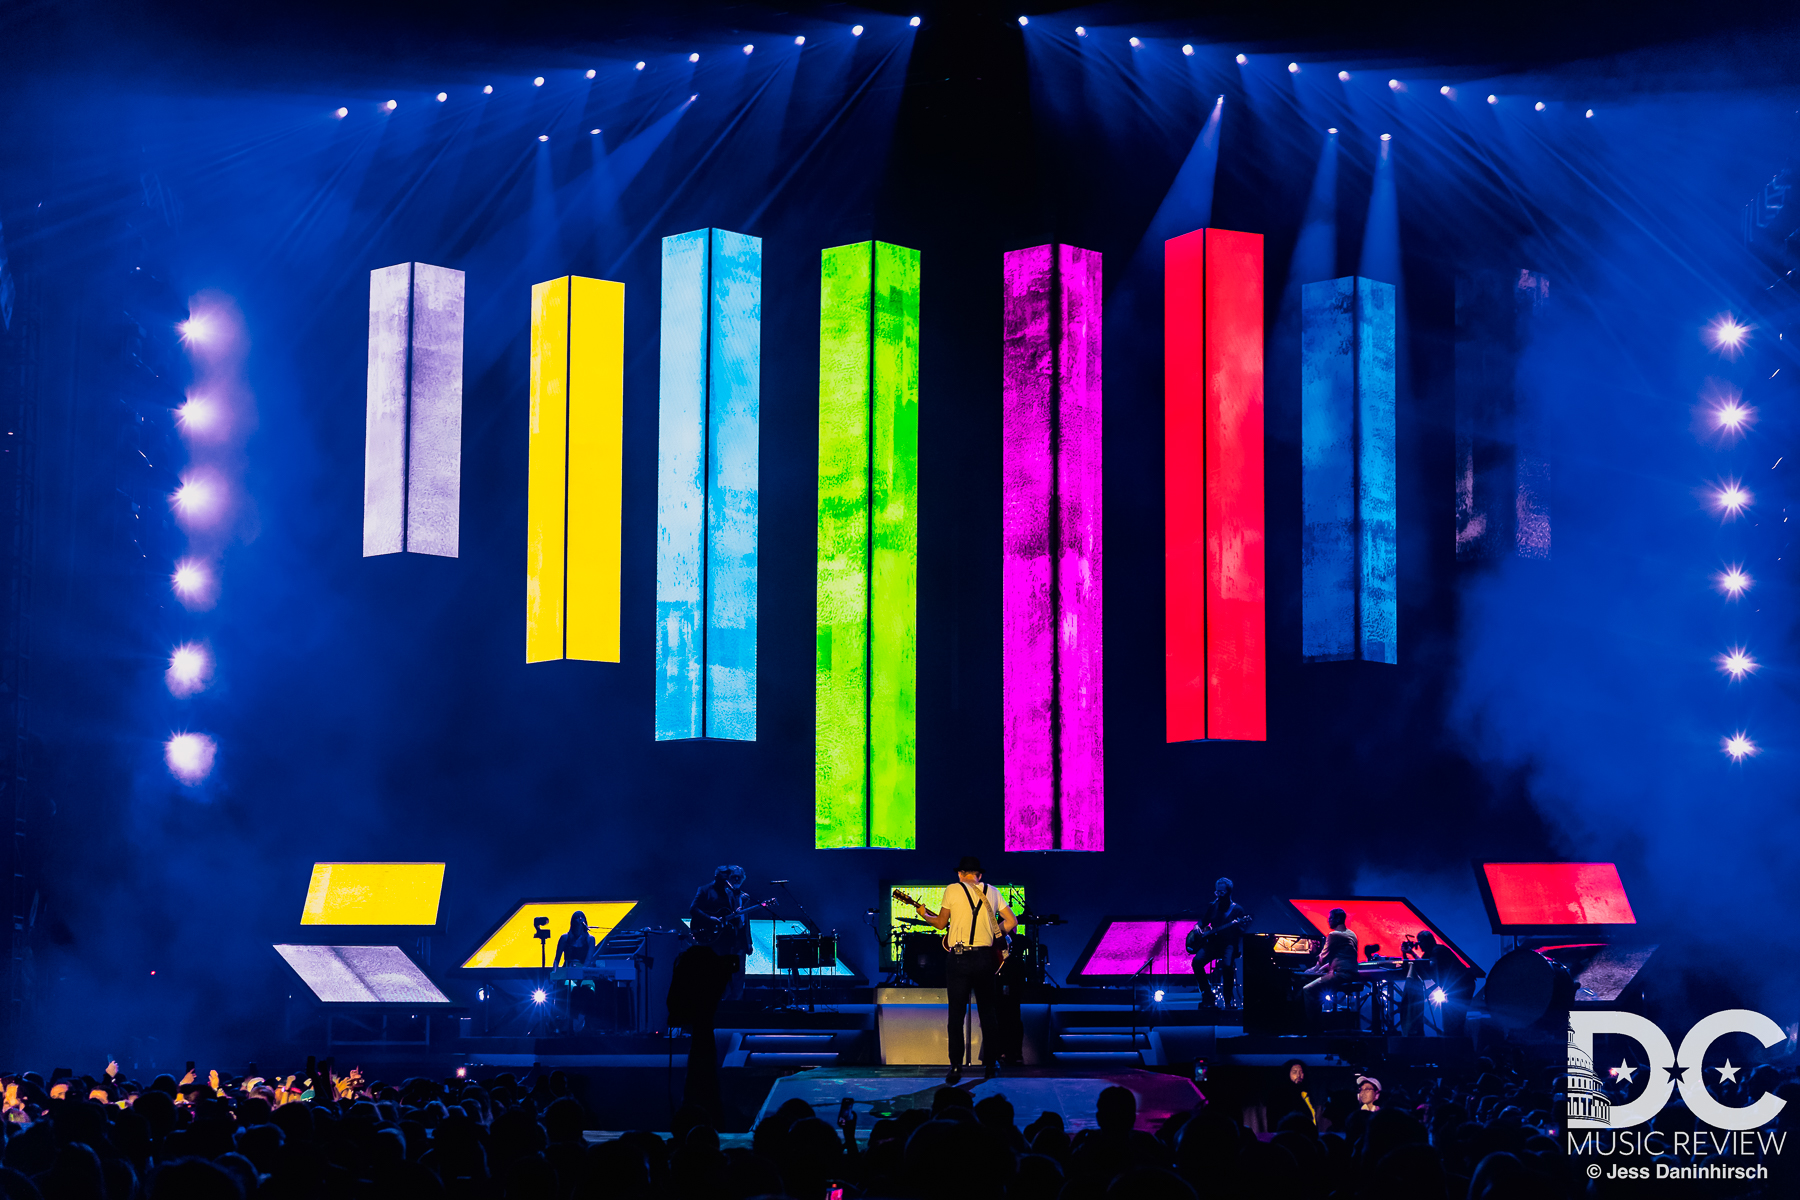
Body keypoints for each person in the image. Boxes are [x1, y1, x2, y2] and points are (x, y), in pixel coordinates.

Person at [910, 856, 1017, 1084]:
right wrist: (993, 932)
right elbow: (1012, 922)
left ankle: (956, 1066)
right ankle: (990, 1065)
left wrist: (923, 914)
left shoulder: (952, 889)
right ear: (980, 875)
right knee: (988, 1013)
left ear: (960, 874)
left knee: (956, 1014)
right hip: (984, 958)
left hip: (958, 958)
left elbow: (940, 924)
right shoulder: (993, 891)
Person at [690, 865, 754, 1001]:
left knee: (738, 978)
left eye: (739, 877)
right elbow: (694, 909)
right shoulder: (710, 891)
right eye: (733, 876)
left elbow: (745, 922)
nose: (736, 879)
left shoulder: (743, 896)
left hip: (739, 941)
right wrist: (710, 920)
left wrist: (749, 942)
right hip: (720, 941)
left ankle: (735, 1011)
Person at [1191, 878, 1250, 1010]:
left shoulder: (1238, 910)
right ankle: (1207, 994)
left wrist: (1235, 927)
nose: (1218, 895)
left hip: (1228, 944)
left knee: (1227, 966)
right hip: (1213, 943)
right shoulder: (1213, 906)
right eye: (1216, 892)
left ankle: (1228, 1002)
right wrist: (1197, 926)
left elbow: (1241, 932)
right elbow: (1204, 921)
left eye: (1221, 892)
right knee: (1196, 962)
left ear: (1229, 892)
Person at [1302, 908, 1359, 1018]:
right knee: (1315, 987)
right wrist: (1324, 968)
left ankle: (1312, 1028)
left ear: (1337, 919)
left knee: (1307, 990)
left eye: (1330, 918)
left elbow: (1323, 958)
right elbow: (1344, 957)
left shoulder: (1334, 935)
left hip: (1340, 975)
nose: (1328, 921)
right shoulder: (1352, 934)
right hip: (1351, 974)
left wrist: (1311, 970)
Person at [1416, 929, 1469, 1037]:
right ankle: (1454, 1042)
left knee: (1454, 1019)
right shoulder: (1430, 953)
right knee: (1451, 1018)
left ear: (1427, 941)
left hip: (1461, 986)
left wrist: (1411, 953)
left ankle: (1456, 1045)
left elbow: (1430, 967)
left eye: (1420, 942)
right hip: (1456, 986)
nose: (1419, 945)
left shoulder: (1438, 950)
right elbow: (1421, 969)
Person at [553, 911, 598, 1034]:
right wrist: (554, 974)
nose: (579, 920)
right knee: (571, 988)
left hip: (583, 970)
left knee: (589, 988)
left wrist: (581, 973)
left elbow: (588, 960)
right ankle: (571, 1020)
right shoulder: (565, 938)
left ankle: (582, 1016)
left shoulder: (590, 939)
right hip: (567, 970)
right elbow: (557, 959)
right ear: (572, 922)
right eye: (576, 918)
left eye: (581, 918)